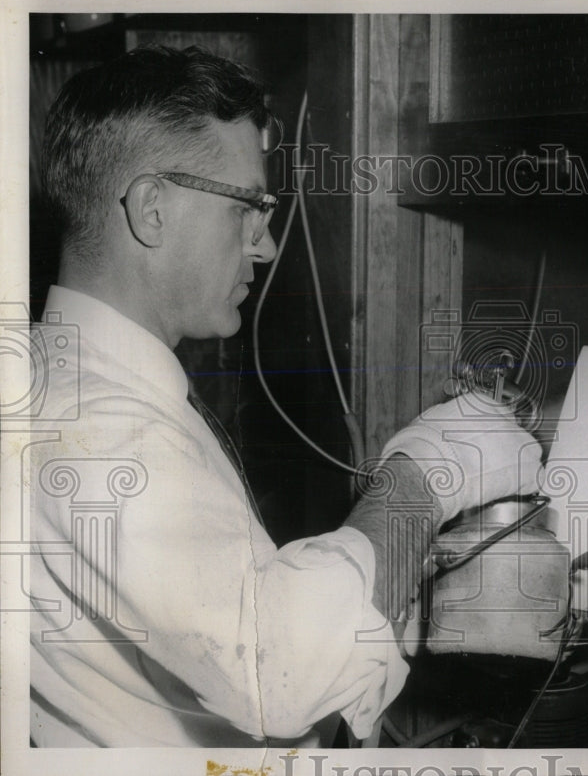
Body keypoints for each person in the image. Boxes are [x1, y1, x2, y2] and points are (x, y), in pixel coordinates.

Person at [29, 45, 542, 747]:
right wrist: (427, 474)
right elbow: (276, 667)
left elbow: (224, 606)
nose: (265, 245)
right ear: (152, 208)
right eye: (247, 206)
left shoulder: (73, 380)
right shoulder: (97, 425)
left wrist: (395, 555)